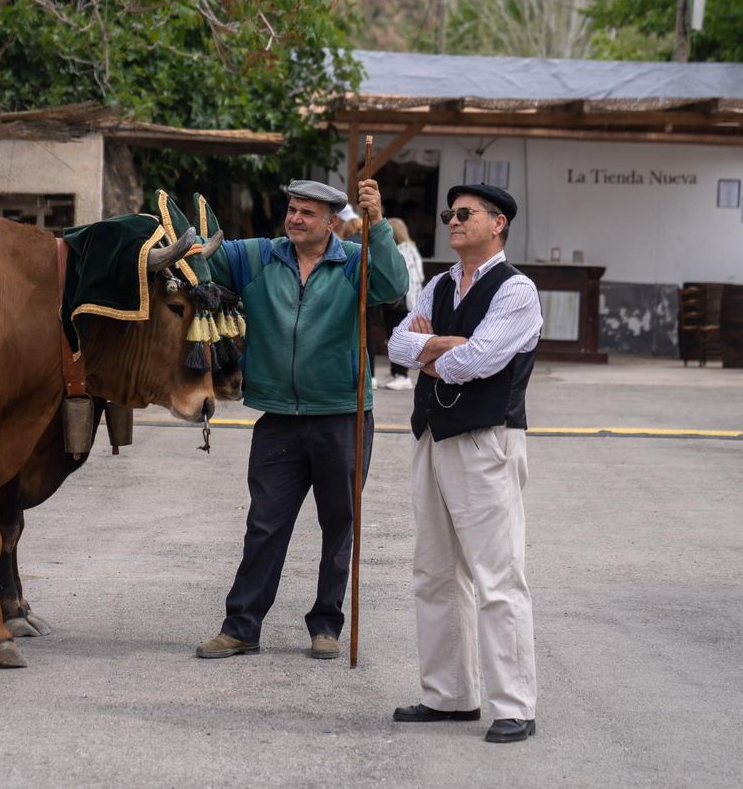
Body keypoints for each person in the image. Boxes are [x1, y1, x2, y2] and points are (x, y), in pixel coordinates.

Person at [193, 178, 407, 661]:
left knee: (339, 522)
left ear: (331, 222)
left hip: (343, 416)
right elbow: (206, 254)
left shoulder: (354, 261)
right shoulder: (258, 256)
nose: (294, 219)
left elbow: (394, 286)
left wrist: (378, 226)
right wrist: (189, 225)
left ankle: (326, 623)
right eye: (292, 209)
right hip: (279, 417)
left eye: (307, 213)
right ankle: (242, 625)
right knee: (265, 525)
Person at [387, 183, 543, 745]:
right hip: (432, 435)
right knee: (433, 571)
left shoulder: (517, 290)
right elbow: (395, 343)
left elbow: (479, 362)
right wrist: (438, 348)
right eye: (448, 213)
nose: (451, 221)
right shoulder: (437, 284)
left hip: (485, 440)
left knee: (497, 575)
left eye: (463, 213)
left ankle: (515, 705)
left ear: (497, 223)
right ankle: (449, 695)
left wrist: (432, 352)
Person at [381, 217, 424, 391]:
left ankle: (401, 374)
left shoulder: (399, 250)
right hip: (412, 299)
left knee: (396, 335)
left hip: (399, 299)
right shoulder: (412, 248)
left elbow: (396, 276)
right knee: (401, 334)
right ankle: (399, 373)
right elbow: (419, 275)